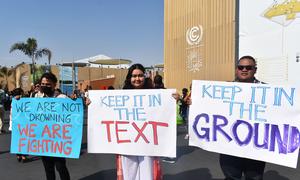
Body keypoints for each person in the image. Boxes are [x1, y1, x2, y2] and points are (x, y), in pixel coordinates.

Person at [219, 55, 266, 180]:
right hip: (230, 147)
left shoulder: (267, 90)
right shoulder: (223, 90)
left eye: (248, 67)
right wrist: (194, 102)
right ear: (236, 69)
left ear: (255, 70)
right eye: (241, 67)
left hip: (255, 149)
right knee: (231, 178)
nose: (244, 70)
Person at [117, 63, 161, 180]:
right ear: (129, 78)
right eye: (134, 76)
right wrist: (92, 104)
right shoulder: (120, 96)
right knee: (128, 175)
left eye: (140, 75)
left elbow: (163, 112)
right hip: (127, 142)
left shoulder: (155, 95)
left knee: (148, 174)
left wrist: (174, 100)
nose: (137, 79)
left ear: (145, 77)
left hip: (147, 141)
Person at [35, 72, 70, 180]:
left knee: (61, 167)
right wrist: (18, 101)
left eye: (48, 84)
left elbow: (75, 112)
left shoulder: (62, 98)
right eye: (43, 84)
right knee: (48, 169)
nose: (45, 86)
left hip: (58, 140)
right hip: (44, 140)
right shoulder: (38, 98)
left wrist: (86, 102)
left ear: (55, 85)